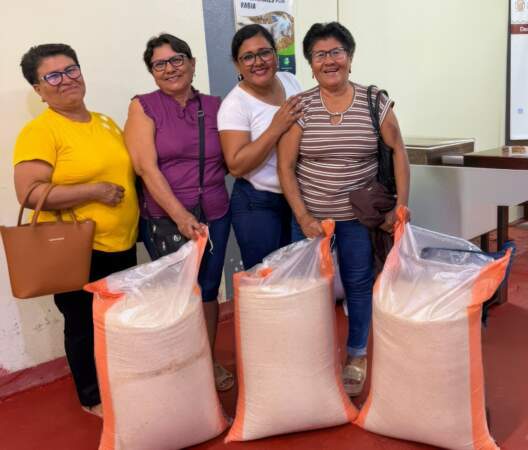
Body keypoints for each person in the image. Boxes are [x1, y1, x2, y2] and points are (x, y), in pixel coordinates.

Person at [277, 22, 410, 397]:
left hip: (356, 219)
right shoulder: (301, 107)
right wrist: (303, 216)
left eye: (336, 52)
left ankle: (356, 354)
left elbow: (399, 152)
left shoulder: (374, 101)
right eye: (320, 55)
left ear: (350, 58)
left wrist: (401, 206)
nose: (329, 61)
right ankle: (312, 357)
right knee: (307, 291)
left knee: (358, 284)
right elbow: (286, 166)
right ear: (310, 64)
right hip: (310, 220)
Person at [13, 44, 139, 416]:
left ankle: (116, 383)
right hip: (77, 249)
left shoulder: (104, 122)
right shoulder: (40, 131)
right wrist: (93, 191)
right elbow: (29, 193)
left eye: (71, 69)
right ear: (38, 89)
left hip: (120, 243)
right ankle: (92, 397)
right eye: (52, 75)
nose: (66, 79)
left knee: (113, 321)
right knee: (83, 324)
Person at [124, 34, 233, 391]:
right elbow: (145, 167)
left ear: (192, 63)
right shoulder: (143, 107)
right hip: (166, 218)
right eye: (160, 64)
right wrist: (181, 215)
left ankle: (206, 360)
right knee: (177, 296)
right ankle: (180, 367)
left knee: (208, 290)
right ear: (151, 71)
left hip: (216, 213)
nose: (170, 68)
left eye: (177, 59)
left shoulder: (216, 106)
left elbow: (230, 157)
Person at [218, 24, 303, 269]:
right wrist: (276, 127)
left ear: (275, 54)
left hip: (297, 197)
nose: (258, 62)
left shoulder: (290, 81)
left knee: (299, 278)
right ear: (237, 64)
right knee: (265, 280)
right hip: (258, 204)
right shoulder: (235, 105)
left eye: (264, 52)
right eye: (248, 57)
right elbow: (236, 165)